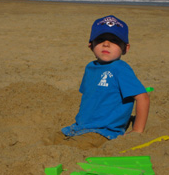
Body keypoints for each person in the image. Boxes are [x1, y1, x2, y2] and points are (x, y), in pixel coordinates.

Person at [46, 15, 150, 149]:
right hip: (79, 128)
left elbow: (143, 97)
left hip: (103, 132)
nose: (106, 44)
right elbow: (90, 97)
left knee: (69, 148)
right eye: (100, 40)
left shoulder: (120, 68)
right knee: (50, 140)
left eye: (114, 40)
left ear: (125, 48)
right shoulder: (90, 67)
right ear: (91, 45)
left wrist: (137, 130)